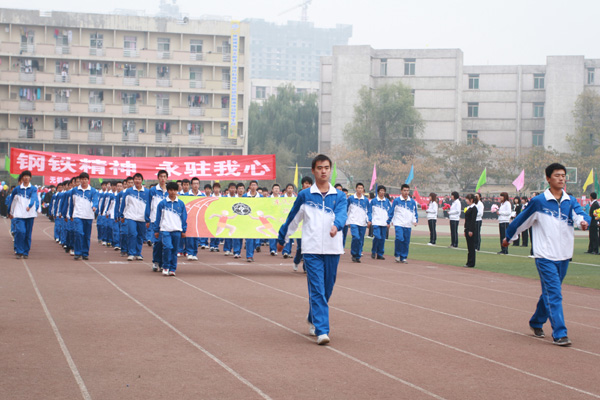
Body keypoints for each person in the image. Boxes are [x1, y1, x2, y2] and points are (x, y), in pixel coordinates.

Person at [503, 163, 590, 346]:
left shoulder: (570, 201)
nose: (561, 178)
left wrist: (583, 223)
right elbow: (521, 221)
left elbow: (581, 215)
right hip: (545, 256)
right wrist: (509, 237)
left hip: (564, 255)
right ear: (548, 178)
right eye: (557, 175)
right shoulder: (539, 201)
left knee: (550, 293)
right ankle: (560, 333)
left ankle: (536, 321)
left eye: (563, 175)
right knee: (555, 293)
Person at [277, 154, 347, 345]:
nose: (323, 171)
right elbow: (293, 218)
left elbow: (342, 214)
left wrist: (337, 226)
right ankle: (322, 330)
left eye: (326, 167)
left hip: (333, 249)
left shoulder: (339, 196)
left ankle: (313, 316)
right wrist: (282, 237)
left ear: (330, 170)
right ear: (314, 171)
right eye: (319, 168)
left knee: (327, 289)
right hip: (312, 249)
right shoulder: (305, 196)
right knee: (317, 288)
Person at [155, 182, 187, 276]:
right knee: (167, 247)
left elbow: (184, 218)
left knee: (174, 250)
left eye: (174, 190)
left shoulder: (180, 204)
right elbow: (158, 218)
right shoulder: (162, 203)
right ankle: (165, 267)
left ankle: (172, 269)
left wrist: (183, 230)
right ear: (168, 191)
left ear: (177, 191)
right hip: (165, 230)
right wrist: (156, 230)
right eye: (170, 190)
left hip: (176, 230)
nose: (172, 192)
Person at [67, 172, 99, 260]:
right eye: (82, 179)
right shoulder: (75, 190)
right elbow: (71, 204)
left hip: (88, 216)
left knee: (86, 236)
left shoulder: (93, 191)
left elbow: (95, 200)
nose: (84, 181)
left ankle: (85, 253)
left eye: (85, 179)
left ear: (88, 180)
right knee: (79, 233)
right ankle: (77, 252)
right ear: (80, 180)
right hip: (77, 215)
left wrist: (94, 206)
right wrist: (70, 214)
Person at [7, 171, 39, 259]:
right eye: (24, 176)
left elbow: (33, 198)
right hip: (19, 214)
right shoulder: (17, 189)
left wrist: (30, 205)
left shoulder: (33, 189)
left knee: (28, 234)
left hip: (30, 214)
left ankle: (25, 251)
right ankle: (19, 251)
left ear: (30, 178)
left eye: (28, 176)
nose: (26, 178)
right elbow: (12, 201)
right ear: (22, 178)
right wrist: (10, 212)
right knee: (20, 232)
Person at [119, 173, 150, 261]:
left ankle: (138, 253)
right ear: (133, 181)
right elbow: (124, 204)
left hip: (142, 217)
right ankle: (131, 253)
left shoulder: (147, 192)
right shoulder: (128, 191)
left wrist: (148, 218)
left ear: (142, 180)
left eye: (139, 179)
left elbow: (149, 206)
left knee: (140, 235)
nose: (137, 181)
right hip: (131, 216)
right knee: (132, 234)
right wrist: (122, 214)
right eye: (135, 179)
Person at [389, 184, 418, 263]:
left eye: (407, 191)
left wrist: (415, 221)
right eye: (404, 190)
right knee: (399, 238)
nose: (406, 192)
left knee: (406, 241)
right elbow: (391, 211)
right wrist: (389, 221)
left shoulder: (412, 202)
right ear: (401, 191)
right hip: (398, 223)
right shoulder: (397, 201)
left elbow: (414, 213)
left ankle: (403, 257)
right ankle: (397, 254)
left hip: (408, 224)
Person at [147, 170, 169, 271]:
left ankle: (163, 263)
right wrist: (147, 218)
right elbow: (148, 205)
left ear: (167, 178)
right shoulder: (153, 190)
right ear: (158, 178)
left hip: (168, 221)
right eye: (161, 176)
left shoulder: (170, 190)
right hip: (155, 220)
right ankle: (156, 262)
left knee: (166, 244)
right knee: (157, 242)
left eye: (164, 177)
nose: (163, 179)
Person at [347, 182, 371, 263]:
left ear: (363, 189)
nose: (360, 189)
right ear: (356, 189)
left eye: (361, 188)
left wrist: (369, 220)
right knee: (356, 237)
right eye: (359, 188)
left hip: (362, 222)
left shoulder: (365, 200)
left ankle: (358, 255)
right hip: (353, 221)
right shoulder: (351, 199)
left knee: (360, 239)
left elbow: (369, 211)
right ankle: (354, 253)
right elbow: (347, 209)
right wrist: (346, 220)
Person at [293, 176, 313, 272]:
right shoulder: (300, 195)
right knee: (301, 247)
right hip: (301, 224)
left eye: (309, 183)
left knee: (309, 247)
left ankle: (306, 267)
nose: (307, 185)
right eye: (305, 183)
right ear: (302, 185)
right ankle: (296, 261)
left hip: (311, 225)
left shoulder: (314, 195)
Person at [370, 185, 392, 260]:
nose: (382, 192)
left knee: (382, 239)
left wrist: (389, 222)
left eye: (383, 191)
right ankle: (373, 251)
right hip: (376, 222)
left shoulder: (387, 201)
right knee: (377, 237)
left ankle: (380, 254)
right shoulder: (373, 201)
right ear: (378, 191)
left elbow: (390, 212)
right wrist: (370, 220)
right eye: (381, 191)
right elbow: (370, 211)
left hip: (384, 223)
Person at [243, 180, 262, 262]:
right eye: (252, 185)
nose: (253, 186)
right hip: (248, 220)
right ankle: (249, 256)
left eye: (255, 185)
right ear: (249, 186)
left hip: (257, 220)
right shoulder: (245, 196)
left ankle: (252, 251)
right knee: (249, 238)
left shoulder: (261, 197)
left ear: (257, 187)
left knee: (255, 238)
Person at [463, 194, 478, 268]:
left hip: (471, 229)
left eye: (467, 199)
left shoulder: (474, 208)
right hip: (467, 228)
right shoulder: (469, 208)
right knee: (469, 246)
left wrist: (471, 230)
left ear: (471, 200)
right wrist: (465, 229)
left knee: (471, 246)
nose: (466, 200)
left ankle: (471, 262)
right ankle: (469, 261)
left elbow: (473, 220)